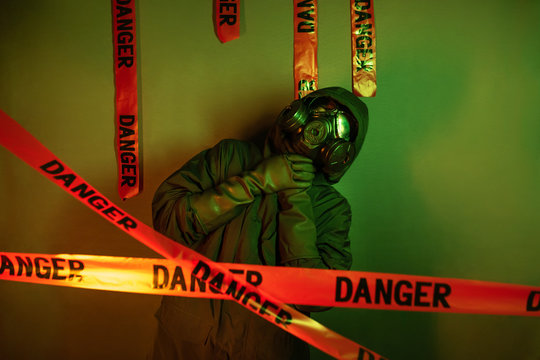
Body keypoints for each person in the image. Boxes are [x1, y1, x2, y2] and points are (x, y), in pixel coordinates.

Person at [150, 87, 369, 359]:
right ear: (296, 114)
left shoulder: (331, 208)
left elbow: (317, 295)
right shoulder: (228, 157)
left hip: (268, 349)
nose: (318, 128)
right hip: (187, 343)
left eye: (337, 127)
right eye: (319, 112)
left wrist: (295, 198)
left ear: (341, 152)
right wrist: (252, 182)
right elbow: (167, 221)